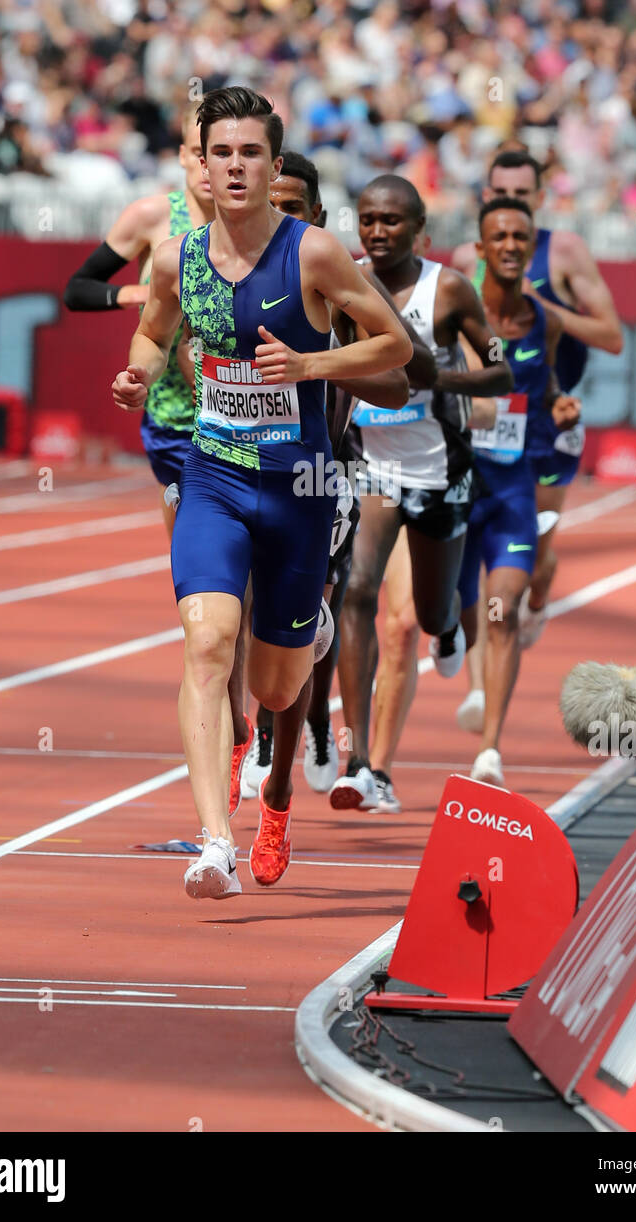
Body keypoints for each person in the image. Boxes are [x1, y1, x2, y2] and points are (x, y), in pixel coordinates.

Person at [111, 87, 412, 899]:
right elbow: (153, 326)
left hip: (300, 487)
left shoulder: (311, 252)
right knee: (207, 643)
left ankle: (301, 665)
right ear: (200, 167)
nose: (236, 166)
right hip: (211, 476)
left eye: (251, 153)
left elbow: (397, 344)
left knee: (277, 687)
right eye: (222, 153)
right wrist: (140, 373)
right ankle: (215, 843)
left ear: (272, 165)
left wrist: (309, 365)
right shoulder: (176, 257)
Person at [64, 105, 254, 801]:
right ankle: (232, 725)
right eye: (200, 154)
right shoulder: (154, 221)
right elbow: (77, 289)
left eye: (225, 154)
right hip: (176, 427)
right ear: (184, 159)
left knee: (252, 586)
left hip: (249, 426)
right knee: (205, 592)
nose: (212, 168)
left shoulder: (255, 231)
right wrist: (139, 294)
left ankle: (260, 711)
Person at [239, 149, 419, 834]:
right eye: (269, 200)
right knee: (240, 606)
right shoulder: (225, 271)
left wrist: (318, 368)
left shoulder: (331, 282)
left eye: (292, 206)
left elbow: (399, 381)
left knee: (309, 618)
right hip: (238, 469)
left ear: (314, 217)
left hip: (321, 479)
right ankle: (263, 732)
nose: (277, 214)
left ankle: (308, 726)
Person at [331, 175, 513, 814]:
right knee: (357, 592)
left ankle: (451, 629)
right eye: (369, 220)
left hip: (441, 471)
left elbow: (501, 370)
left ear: (419, 230)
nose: (378, 232)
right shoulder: (344, 279)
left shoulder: (450, 289)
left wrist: (440, 381)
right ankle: (359, 765)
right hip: (373, 467)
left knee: (433, 615)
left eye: (392, 222)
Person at [454, 149, 622, 651]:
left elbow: (612, 336)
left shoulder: (565, 251)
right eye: (501, 195)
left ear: (540, 199)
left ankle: (540, 596)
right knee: (491, 548)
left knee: (540, 552)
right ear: (486, 197)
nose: (511, 203)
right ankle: (487, 661)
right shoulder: (468, 259)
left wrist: (540, 307)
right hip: (488, 419)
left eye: (521, 196)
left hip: (550, 415)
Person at [457, 197, 580, 784]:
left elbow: (548, 381)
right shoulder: (457, 310)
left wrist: (557, 403)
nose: (510, 244)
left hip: (511, 489)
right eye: (498, 236)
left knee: (499, 610)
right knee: (449, 615)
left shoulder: (546, 321)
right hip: (453, 487)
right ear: (481, 249)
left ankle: (489, 752)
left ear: (532, 250)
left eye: (520, 237)